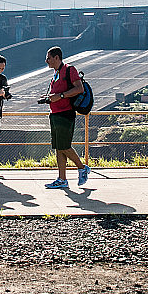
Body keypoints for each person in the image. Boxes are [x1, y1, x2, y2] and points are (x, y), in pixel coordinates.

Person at [43, 46, 91, 189]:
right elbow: (57, 93)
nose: (46, 61)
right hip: (55, 113)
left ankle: (82, 168)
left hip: (65, 113)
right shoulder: (56, 73)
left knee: (64, 146)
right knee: (58, 147)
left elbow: (79, 88)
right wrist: (49, 98)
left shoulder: (70, 70)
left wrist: (61, 96)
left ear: (56, 57)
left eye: (48, 58)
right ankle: (62, 179)